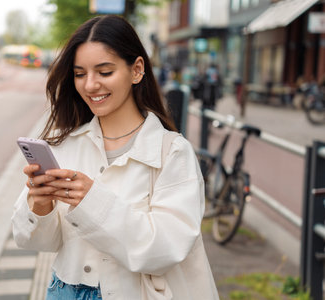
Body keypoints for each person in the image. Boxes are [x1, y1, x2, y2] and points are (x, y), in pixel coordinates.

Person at [12, 15, 219, 300]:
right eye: (80, 73)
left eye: (105, 72)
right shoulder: (66, 144)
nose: (90, 85)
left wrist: (92, 200)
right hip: (62, 291)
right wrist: (40, 204)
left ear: (136, 70)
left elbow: (166, 249)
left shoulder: (171, 152)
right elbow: (35, 240)